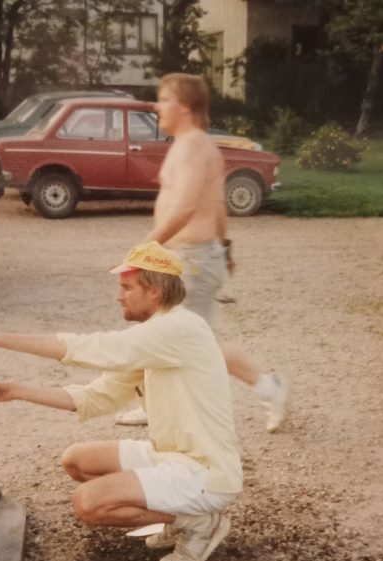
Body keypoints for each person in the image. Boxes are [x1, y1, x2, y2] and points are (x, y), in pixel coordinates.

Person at [0, 242, 242, 561]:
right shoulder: (155, 337)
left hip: (205, 471)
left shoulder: (178, 329)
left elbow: (95, 347)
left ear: (155, 293)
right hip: (174, 455)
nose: (118, 296)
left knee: (87, 503)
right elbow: (93, 398)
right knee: (77, 461)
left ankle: (198, 521)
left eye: (126, 287)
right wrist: (17, 390)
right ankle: (183, 514)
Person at [116, 72, 289, 432]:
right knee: (165, 331)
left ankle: (270, 389)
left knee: (195, 341)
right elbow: (217, 205)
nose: (156, 106)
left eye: (164, 100)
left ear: (186, 106)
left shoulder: (194, 145)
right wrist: (224, 247)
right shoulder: (194, 145)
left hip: (191, 258)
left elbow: (188, 206)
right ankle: (156, 402)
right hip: (193, 255)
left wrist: (145, 247)